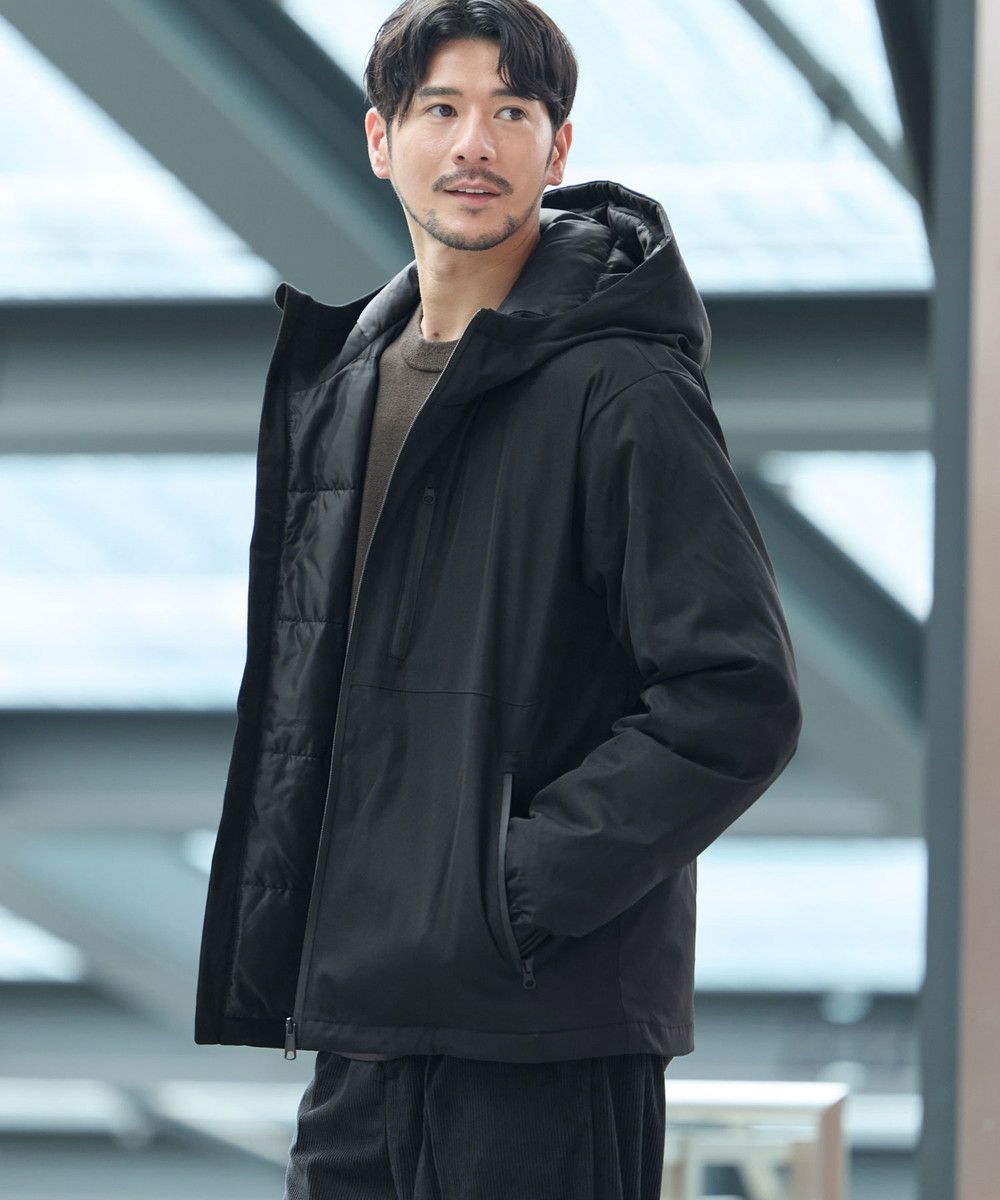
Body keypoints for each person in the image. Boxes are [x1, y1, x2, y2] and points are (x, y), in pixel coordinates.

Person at [192, 1, 803, 1197]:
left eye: (511, 112)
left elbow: (735, 697)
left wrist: (502, 895)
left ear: (555, 150)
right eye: (442, 108)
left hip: (539, 1036)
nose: (475, 142)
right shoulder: (345, 382)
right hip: (361, 1030)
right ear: (381, 140)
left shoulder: (622, 387)